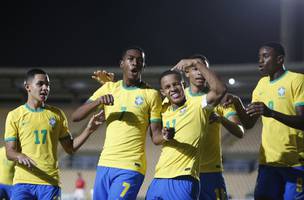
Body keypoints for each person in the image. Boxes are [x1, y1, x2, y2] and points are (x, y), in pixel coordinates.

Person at [71, 47, 172, 200]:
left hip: (131, 166)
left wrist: (166, 135)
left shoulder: (151, 95)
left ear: (143, 66)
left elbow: (156, 136)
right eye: (130, 59)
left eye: (139, 60)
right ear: (122, 64)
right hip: (104, 163)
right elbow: (76, 116)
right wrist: (98, 101)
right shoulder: (109, 88)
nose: (135, 63)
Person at [4, 69, 105, 200]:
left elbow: (70, 148)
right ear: (27, 87)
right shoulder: (14, 115)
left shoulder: (57, 115)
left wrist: (89, 129)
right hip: (23, 183)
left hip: (50, 184)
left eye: (48, 84)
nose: (45, 88)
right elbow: (9, 152)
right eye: (40, 84)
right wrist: (19, 155)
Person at [225, 42, 304, 200]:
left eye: (265, 56)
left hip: (296, 163)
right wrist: (237, 102)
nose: (260, 60)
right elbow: (248, 123)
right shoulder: (261, 85)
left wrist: (271, 113)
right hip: (268, 163)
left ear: (280, 59)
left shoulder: (297, 80)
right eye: (259, 57)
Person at [146, 58, 227, 199]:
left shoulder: (199, 105)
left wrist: (196, 63)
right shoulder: (163, 109)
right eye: (168, 87)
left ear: (183, 85)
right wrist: (165, 136)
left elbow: (220, 90)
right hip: (159, 177)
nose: (173, 89)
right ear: (163, 92)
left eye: (176, 84)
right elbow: (156, 138)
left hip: (184, 178)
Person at [184, 55, 244, 200]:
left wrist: (221, 119)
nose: (200, 72)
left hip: (211, 171)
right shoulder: (178, 98)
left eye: (203, 69)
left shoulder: (222, 100)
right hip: (185, 170)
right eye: (195, 68)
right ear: (187, 72)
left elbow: (240, 131)